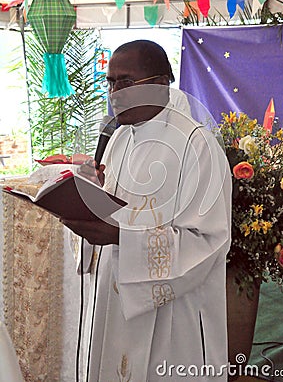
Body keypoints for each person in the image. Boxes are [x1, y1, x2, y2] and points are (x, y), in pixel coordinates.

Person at [63, 40, 232, 382]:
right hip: (118, 297)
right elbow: (112, 210)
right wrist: (88, 198)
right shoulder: (120, 140)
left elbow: (209, 241)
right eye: (109, 82)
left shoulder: (196, 145)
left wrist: (122, 237)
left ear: (160, 83)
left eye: (124, 82)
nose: (113, 93)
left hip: (174, 316)